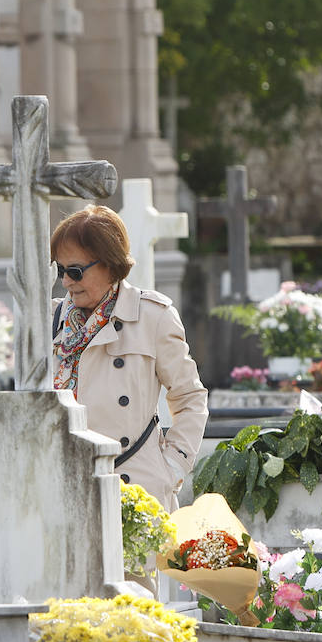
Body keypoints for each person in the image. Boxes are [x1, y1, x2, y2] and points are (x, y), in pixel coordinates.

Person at [50, 206, 208, 511]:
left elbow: (190, 398)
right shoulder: (48, 319)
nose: (66, 282)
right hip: (61, 486)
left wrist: (172, 468)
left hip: (135, 489)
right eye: (61, 270)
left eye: (76, 271)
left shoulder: (153, 317)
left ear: (110, 265)